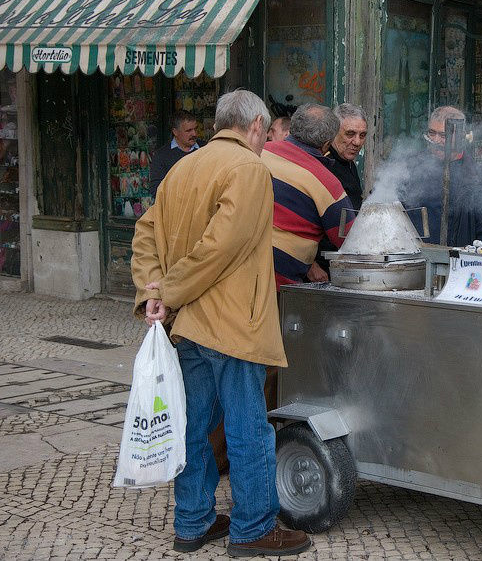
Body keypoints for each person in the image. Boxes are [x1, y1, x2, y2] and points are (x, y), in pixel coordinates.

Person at [130, 90, 311, 557]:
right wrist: (164, 293)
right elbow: (220, 247)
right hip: (233, 325)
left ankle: (193, 523)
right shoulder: (249, 168)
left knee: (193, 427)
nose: (266, 142)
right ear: (254, 126)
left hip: (190, 325)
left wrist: (154, 291)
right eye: (266, 134)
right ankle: (253, 530)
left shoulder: (181, 169)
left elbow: (145, 234)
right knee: (248, 429)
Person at [261, 103, 354, 287]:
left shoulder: (261, 151)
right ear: (327, 143)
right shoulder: (328, 183)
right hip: (280, 285)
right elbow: (352, 241)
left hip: (240, 273)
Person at [399, 106, 482, 247]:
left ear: (461, 136)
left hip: (458, 262)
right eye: (432, 133)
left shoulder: (478, 179)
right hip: (414, 258)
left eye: (444, 135)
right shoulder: (409, 167)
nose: (436, 140)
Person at [310, 103, 368, 280]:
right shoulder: (322, 163)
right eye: (350, 134)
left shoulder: (348, 162)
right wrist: (309, 265)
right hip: (321, 264)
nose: (357, 142)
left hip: (343, 260)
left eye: (362, 135)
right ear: (334, 132)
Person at [149, 110, 200, 198]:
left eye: (195, 129)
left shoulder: (207, 148)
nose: (194, 134)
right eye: (189, 130)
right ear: (175, 132)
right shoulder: (161, 156)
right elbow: (156, 191)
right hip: (176, 209)